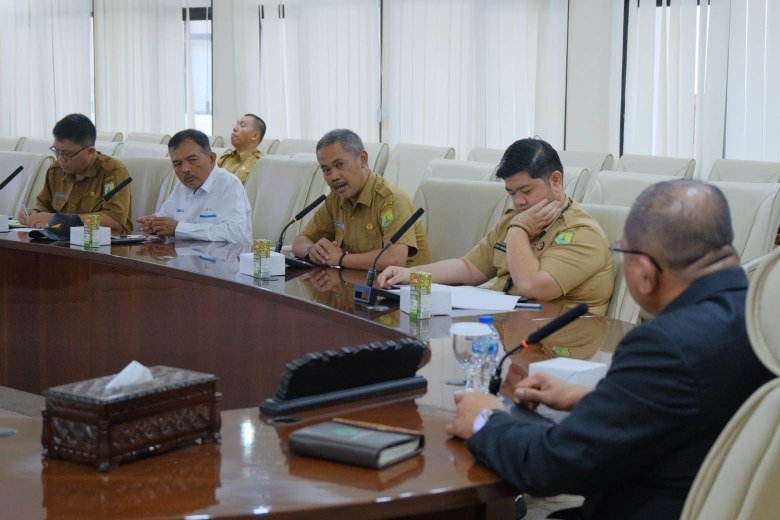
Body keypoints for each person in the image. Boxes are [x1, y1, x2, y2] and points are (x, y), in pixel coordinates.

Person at [445, 180, 774, 520]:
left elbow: (554, 465)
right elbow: (698, 404)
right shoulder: (759, 319)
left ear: (645, 272)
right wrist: (591, 397)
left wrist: (485, 420)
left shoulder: (664, 345)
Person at [378, 138, 614, 314]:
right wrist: (410, 274)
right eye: (512, 193)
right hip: (507, 325)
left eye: (526, 191)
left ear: (556, 180)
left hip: (557, 341)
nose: (519, 201)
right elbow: (469, 268)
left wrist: (518, 231)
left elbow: (531, 287)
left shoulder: (581, 233)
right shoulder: (517, 218)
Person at [291, 129, 431, 270]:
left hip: (408, 283)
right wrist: (312, 251)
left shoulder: (391, 200)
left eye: (339, 165)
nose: (333, 177)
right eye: (326, 170)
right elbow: (299, 241)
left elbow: (395, 259)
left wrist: (340, 258)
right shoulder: (336, 199)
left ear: (363, 159)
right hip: (357, 281)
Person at [18, 113, 132, 234]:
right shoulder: (56, 170)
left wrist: (65, 221)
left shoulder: (112, 171)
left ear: (90, 151)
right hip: (59, 241)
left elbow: (114, 221)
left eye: (67, 154)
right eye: (57, 151)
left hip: (101, 242)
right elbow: (44, 205)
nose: (60, 159)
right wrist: (34, 213)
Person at [138, 129, 252, 243]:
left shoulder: (229, 184)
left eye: (192, 160)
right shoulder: (181, 187)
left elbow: (234, 233)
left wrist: (178, 228)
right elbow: (166, 216)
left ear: (211, 158)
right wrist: (153, 223)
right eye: (178, 164)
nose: (185, 169)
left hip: (222, 254)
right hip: (182, 252)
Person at [217, 114, 266, 184]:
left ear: (255, 136)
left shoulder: (260, 163)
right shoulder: (225, 159)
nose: (235, 128)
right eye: (236, 124)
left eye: (242, 125)